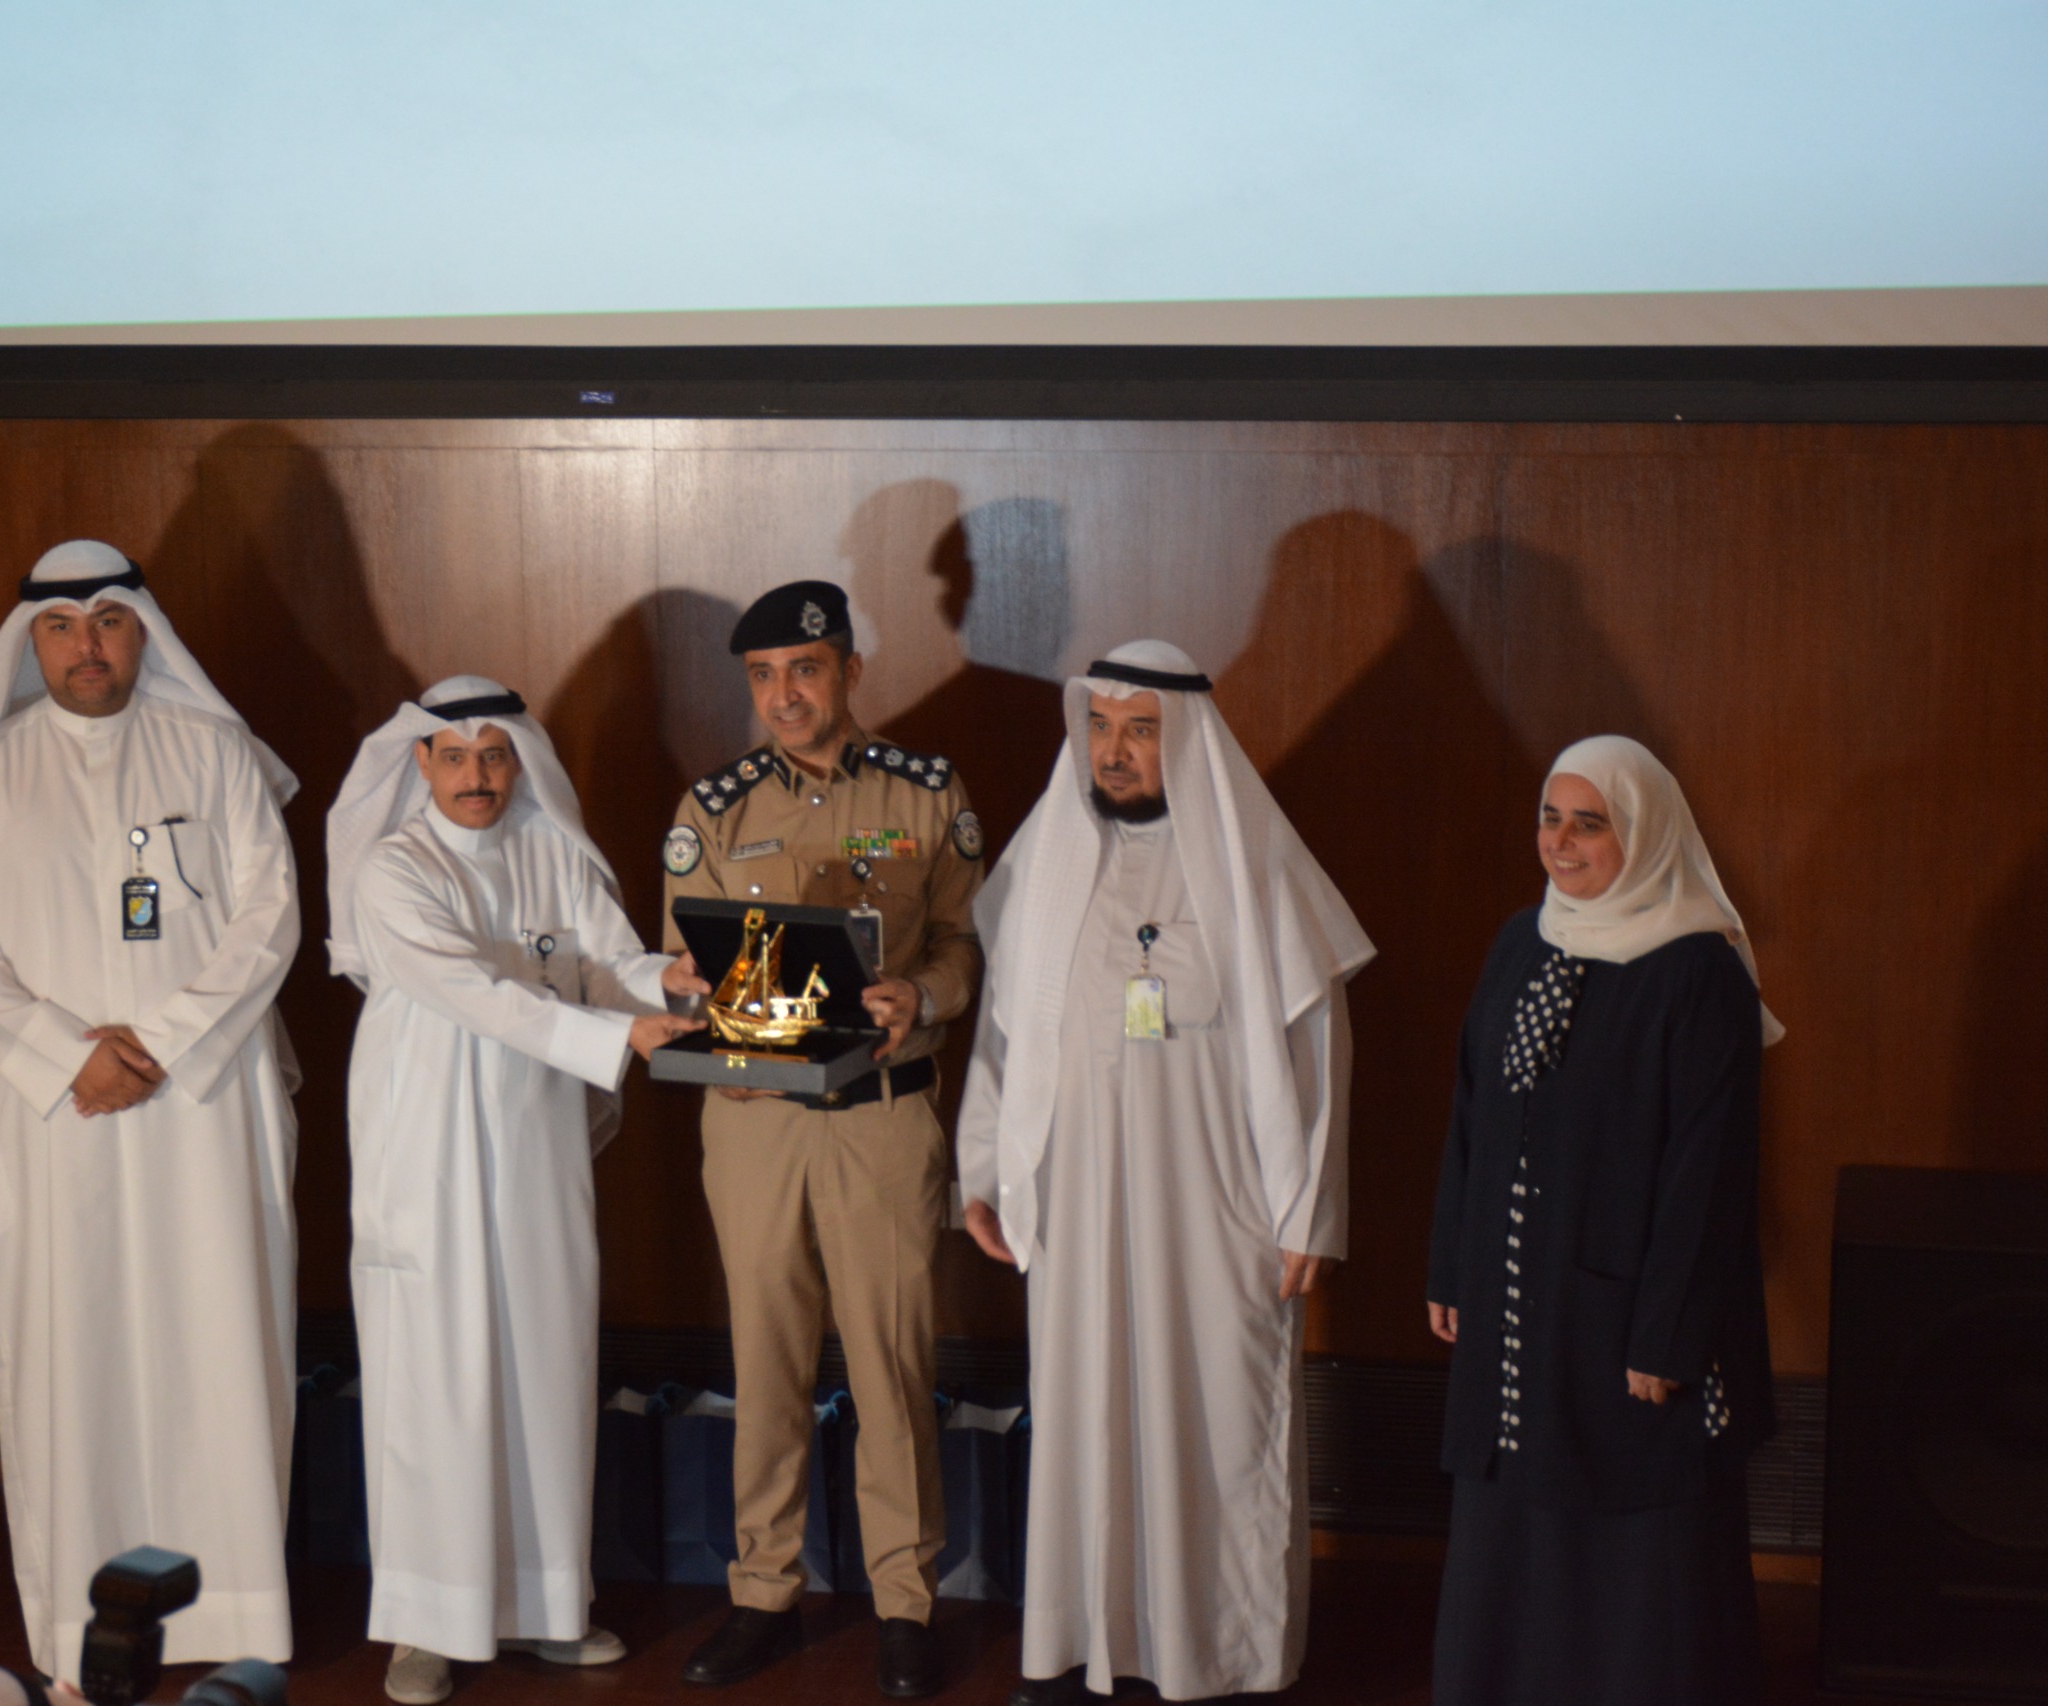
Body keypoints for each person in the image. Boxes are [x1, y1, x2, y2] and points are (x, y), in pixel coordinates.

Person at [0, 541, 301, 1681]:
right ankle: (82, 1631)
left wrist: (161, 1043)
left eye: (109, 621)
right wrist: (65, 1055)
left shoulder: (213, 753)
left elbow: (270, 915)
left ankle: (233, 1624)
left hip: (202, 1111)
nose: (88, 646)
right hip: (53, 1123)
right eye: (62, 626)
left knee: (219, 1344)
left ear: (142, 632)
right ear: (30, 643)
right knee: (69, 1365)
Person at [956, 640, 1375, 1702]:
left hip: (1219, 1213)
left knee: (1217, 1424)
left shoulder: (1253, 865)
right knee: (1085, 1421)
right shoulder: (1043, 862)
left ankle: (1219, 1655)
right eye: (1100, 727)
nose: (1114, 750)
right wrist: (981, 1170)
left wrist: (1310, 1215)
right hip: (1078, 1209)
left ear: (1184, 737)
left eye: (1140, 730)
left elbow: (1318, 1053)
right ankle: (1079, 1648)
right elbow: (1003, 1038)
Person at [324, 676, 706, 1705]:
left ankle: (546, 1606)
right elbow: (474, 993)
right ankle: (424, 1626)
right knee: (434, 1380)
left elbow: (601, 962)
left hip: (536, 1144)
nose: (478, 777)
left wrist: (665, 981)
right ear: (421, 763)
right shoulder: (393, 868)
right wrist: (617, 1029)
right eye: (455, 757)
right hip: (427, 1151)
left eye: (495, 756)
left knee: (544, 1364)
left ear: (517, 760)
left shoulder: (551, 850)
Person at [662, 580, 985, 1698]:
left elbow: (962, 939)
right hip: (754, 1122)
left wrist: (923, 995)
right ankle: (764, 1590)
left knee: (892, 1366)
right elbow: (684, 955)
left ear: (849, 670)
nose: (783, 695)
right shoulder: (713, 807)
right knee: (766, 1363)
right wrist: (688, 982)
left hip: (882, 1117)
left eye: (803, 670)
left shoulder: (925, 792)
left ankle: (905, 1603)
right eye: (762, 677)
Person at [1426, 734, 1781, 1705]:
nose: (1561, 842)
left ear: (1646, 834)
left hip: (1628, 1319)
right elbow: (1471, 1114)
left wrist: (1667, 1334)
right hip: (1516, 1305)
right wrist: (1454, 1266)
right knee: (1516, 1522)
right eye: (1551, 817)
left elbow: (1708, 1175)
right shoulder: (1522, 941)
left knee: (1634, 1532)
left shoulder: (1698, 972)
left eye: (1590, 824)